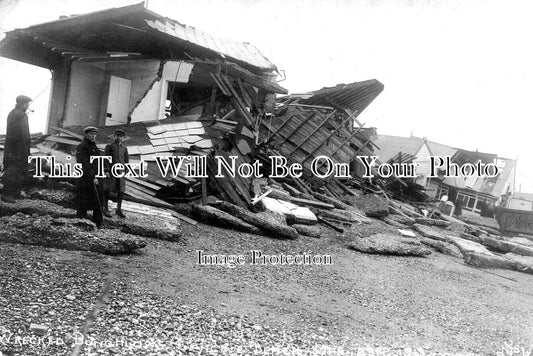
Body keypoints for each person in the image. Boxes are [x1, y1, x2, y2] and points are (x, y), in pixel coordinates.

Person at [2, 95, 32, 203]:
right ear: (20, 103)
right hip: (14, 149)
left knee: (20, 171)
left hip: (22, 149)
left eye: (28, 103)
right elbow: (14, 134)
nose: (27, 105)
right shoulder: (15, 114)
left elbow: (25, 134)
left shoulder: (22, 115)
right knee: (12, 171)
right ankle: (6, 194)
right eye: (26, 103)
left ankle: (16, 193)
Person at [75, 126, 104, 228]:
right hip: (85, 178)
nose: (93, 136)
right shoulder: (82, 146)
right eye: (91, 134)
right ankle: (81, 221)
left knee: (98, 198)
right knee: (83, 200)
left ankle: (97, 222)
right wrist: (93, 177)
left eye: (94, 134)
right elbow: (84, 163)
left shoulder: (94, 147)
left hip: (94, 177)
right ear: (86, 135)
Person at [103, 129, 129, 218]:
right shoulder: (109, 146)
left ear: (123, 138)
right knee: (107, 189)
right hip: (111, 172)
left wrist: (126, 171)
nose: (119, 137)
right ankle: (105, 208)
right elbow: (106, 159)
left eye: (121, 136)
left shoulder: (124, 148)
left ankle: (118, 209)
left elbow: (126, 161)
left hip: (120, 173)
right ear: (114, 136)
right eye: (117, 135)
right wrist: (106, 170)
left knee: (121, 191)